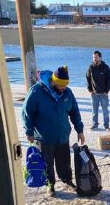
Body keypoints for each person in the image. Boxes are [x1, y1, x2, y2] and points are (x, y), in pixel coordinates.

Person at [22, 65, 85, 197]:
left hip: (62, 135)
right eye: (61, 85)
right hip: (44, 137)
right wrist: (29, 132)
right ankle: (50, 183)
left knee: (64, 162)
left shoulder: (67, 93)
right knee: (47, 163)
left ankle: (67, 179)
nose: (64, 88)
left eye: (66, 85)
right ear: (53, 81)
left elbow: (75, 112)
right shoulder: (36, 91)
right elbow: (27, 113)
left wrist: (79, 130)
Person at [86, 50, 110, 131]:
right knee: (94, 111)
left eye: (96, 57)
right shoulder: (91, 67)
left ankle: (106, 125)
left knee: (105, 111)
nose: (95, 59)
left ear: (100, 57)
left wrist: (106, 91)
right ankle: (95, 124)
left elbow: (109, 80)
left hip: (104, 94)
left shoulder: (106, 67)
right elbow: (88, 78)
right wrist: (90, 89)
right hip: (94, 94)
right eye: (93, 57)